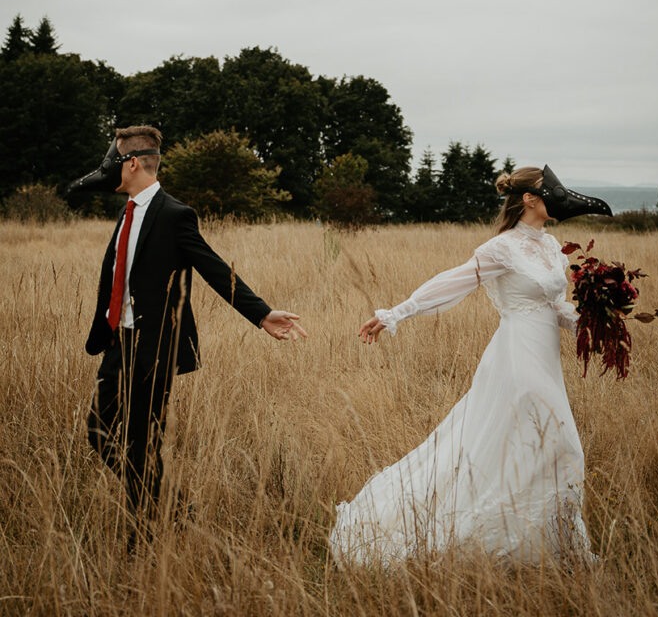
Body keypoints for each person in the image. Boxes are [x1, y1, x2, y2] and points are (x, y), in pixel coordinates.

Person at [330, 166, 612, 566]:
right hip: (516, 356)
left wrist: (596, 322)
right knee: (560, 441)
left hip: (545, 354)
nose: (560, 196)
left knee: (525, 447)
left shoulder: (550, 247)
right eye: (551, 191)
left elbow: (553, 306)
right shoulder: (502, 248)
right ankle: (495, 540)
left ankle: (547, 545)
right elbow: (453, 282)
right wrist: (396, 313)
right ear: (530, 199)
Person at [74, 125, 306, 534]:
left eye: (114, 162)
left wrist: (261, 313)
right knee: (99, 430)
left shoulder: (174, 214)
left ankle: (144, 530)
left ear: (130, 164)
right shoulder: (127, 211)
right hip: (118, 342)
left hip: (156, 348)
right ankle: (173, 507)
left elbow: (213, 267)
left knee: (143, 442)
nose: (109, 171)